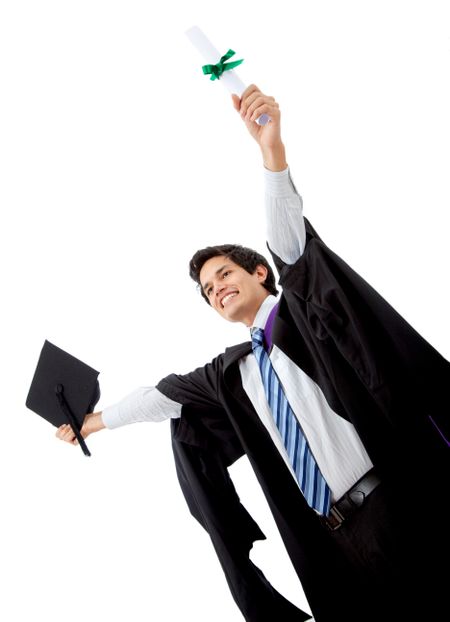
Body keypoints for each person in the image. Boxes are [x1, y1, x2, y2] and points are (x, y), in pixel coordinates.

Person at [56, 86, 449, 622]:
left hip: (395, 510)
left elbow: (292, 250)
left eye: (225, 274)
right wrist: (91, 423)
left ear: (257, 273)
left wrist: (271, 153)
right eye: (208, 289)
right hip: (332, 541)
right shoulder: (234, 373)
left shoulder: (303, 320)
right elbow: (159, 398)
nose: (217, 287)